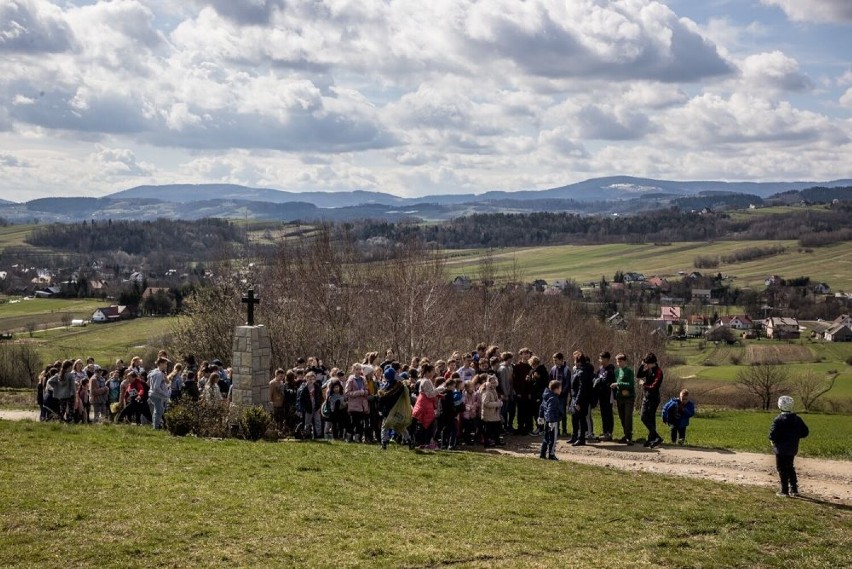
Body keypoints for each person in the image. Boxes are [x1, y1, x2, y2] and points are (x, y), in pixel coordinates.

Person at [769, 396, 809, 498]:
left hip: (780, 449)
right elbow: (805, 432)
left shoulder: (778, 420)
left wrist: (774, 441)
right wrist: (795, 436)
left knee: (781, 468)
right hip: (792, 448)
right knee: (790, 467)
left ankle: (784, 491)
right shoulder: (797, 419)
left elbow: (772, 435)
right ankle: (794, 489)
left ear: (779, 405)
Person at [636, 353, 664, 448]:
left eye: (647, 363)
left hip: (654, 398)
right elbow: (639, 375)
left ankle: (653, 439)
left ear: (653, 363)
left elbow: (654, 386)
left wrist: (644, 384)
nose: (646, 365)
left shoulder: (658, 372)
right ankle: (655, 438)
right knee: (644, 417)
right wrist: (642, 365)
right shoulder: (648, 369)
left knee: (649, 418)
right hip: (646, 397)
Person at [568, 351, 594, 446]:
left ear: (579, 362)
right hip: (575, 397)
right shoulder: (579, 371)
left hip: (580, 399)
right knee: (575, 418)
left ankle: (581, 438)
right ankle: (575, 436)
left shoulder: (583, 372)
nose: (574, 362)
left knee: (581, 419)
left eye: (575, 360)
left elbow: (581, 388)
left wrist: (577, 402)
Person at [611, 354, 635, 445]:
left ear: (624, 361)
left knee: (628, 417)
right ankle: (626, 435)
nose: (618, 363)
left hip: (629, 398)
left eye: (620, 361)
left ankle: (629, 437)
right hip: (619, 397)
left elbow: (630, 384)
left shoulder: (629, 371)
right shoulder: (617, 372)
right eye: (617, 361)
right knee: (622, 417)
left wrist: (618, 384)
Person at [412, 370, 440, 449]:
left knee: (425, 425)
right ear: (427, 372)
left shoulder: (426, 381)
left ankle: (424, 443)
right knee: (425, 426)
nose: (433, 373)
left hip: (426, 406)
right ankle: (424, 443)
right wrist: (439, 390)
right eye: (432, 371)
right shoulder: (425, 381)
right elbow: (430, 394)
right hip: (425, 407)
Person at [538, 379, 564, 460]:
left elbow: (542, 407)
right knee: (553, 439)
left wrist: (541, 416)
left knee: (546, 437)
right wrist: (552, 422)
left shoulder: (546, 395)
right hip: (553, 421)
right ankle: (551, 454)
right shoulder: (554, 398)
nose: (561, 390)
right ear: (556, 389)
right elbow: (550, 410)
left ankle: (542, 453)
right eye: (560, 388)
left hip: (547, 420)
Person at [594, 352, 616, 441]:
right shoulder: (600, 369)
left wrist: (602, 383)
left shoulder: (610, 371)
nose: (600, 360)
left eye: (601, 358)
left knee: (608, 413)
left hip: (608, 394)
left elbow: (609, 383)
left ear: (606, 359)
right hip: (601, 395)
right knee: (603, 413)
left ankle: (609, 433)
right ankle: (604, 431)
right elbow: (596, 378)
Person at [345, 364, 370, 443]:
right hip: (353, 405)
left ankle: (357, 438)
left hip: (361, 405)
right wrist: (359, 392)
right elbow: (347, 393)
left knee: (360, 423)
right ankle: (349, 437)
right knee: (353, 422)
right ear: (353, 370)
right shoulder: (351, 380)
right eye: (357, 369)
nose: (359, 371)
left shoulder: (363, 379)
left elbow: (366, 390)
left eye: (360, 369)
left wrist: (364, 392)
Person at [549, 353, 571, 437]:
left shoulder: (566, 369)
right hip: (554, 395)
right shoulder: (553, 369)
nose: (554, 362)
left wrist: (562, 393)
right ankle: (556, 430)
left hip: (562, 396)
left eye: (556, 360)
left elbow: (567, 383)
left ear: (561, 360)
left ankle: (564, 430)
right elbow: (550, 381)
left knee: (563, 413)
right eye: (554, 360)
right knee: (555, 412)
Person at [297, 371, 323, 440]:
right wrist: (303, 407)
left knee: (318, 421)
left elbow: (320, 396)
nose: (311, 380)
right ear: (306, 379)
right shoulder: (304, 388)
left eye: (313, 379)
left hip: (316, 406)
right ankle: (307, 434)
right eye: (309, 379)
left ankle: (318, 434)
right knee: (307, 422)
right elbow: (301, 399)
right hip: (308, 407)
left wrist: (319, 404)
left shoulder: (317, 387)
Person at [147, 357, 171, 430]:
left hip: (152, 394)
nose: (166, 366)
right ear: (160, 364)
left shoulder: (154, 372)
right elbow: (156, 387)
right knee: (159, 411)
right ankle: (156, 427)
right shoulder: (159, 374)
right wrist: (164, 393)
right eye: (165, 364)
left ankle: (155, 425)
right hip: (157, 395)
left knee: (157, 410)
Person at [481, 375, 504, 447]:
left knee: (497, 428)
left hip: (494, 414)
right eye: (492, 382)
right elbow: (486, 403)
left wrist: (499, 402)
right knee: (488, 430)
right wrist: (497, 404)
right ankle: (486, 443)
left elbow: (495, 399)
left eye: (495, 382)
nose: (494, 384)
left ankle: (497, 441)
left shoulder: (494, 390)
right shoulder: (487, 391)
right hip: (489, 414)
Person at [438, 378, 459, 450]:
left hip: (444, 414)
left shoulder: (443, 393)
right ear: (449, 386)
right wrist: (455, 414)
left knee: (445, 429)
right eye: (453, 386)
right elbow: (451, 406)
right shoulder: (449, 394)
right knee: (454, 430)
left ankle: (443, 444)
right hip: (449, 415)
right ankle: (451, 444)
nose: (454, 387)